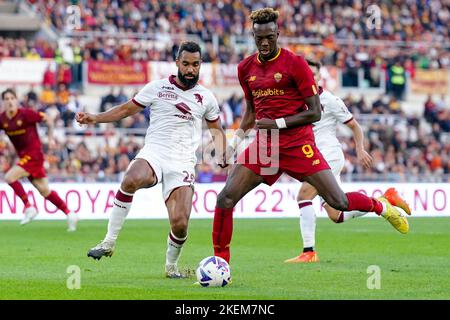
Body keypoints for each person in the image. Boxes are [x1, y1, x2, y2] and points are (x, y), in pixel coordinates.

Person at [212, 8, 411, 264]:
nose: (264, 43)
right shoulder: (245, 68)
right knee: (225, 197)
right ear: (252, 35)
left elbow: (315, 112)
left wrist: (277, 123)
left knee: (337, 202)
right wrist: (233, 145)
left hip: (298, 145)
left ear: (277, 34)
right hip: (265, 148)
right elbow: (251, 112)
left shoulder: (296, 64)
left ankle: (380, 206)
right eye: (259, 38)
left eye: (269, 37)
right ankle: (220, 265)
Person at [76, 41, 228, 278]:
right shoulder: (157, 87)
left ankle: (171, 268)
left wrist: (223, 152)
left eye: (195, 65)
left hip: (183, 161)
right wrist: (94, 118)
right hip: (155, 151)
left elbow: (216, 129)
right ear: (177, 63)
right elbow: (126, 110)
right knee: (130, 179)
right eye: (186, 64)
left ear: (200, 66)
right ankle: (108, 242)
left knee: (179, 224)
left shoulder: (206, 98)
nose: (190, 69)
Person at [285, 60, 411, 263]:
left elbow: (355, 126)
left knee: (304, 195)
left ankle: (309, 252)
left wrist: (360, 148)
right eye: (307, 73)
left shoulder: (330, 100)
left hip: (328, 155)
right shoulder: (294, 99)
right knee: (337, 214)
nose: (310, 77)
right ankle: (383, 201)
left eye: (314, 74)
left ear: (318, 77)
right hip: (312, 157)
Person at [0, 88, 78, 231]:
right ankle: (70, 213)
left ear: (16, 100)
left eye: (12, 98)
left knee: (9, 177)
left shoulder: (26, 114)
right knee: (44, 191)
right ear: (3, 102)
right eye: (6, 99)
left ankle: (29, 207)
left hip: (34, 155)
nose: (10, 101)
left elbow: (48, 119)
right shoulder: (3, 119)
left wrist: (50, 139)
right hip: (25, 157)